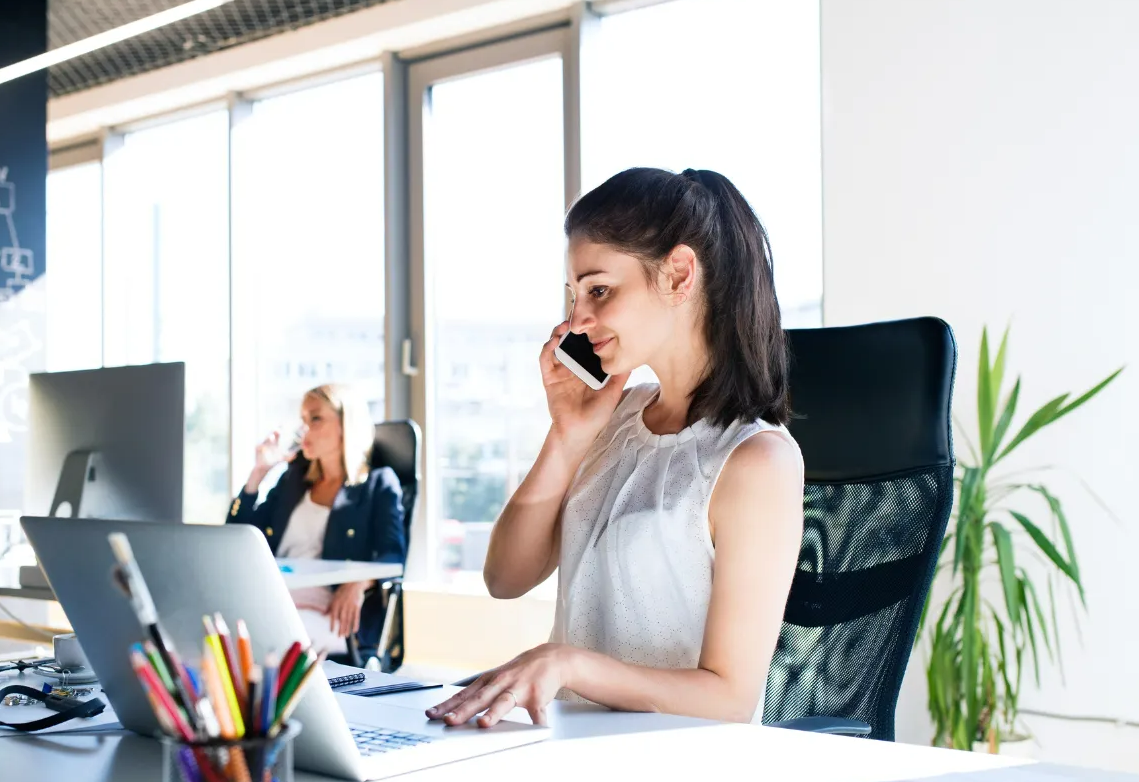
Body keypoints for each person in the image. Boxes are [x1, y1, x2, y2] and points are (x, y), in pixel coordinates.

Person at [427, 167, 805, 729]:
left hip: (666, 774)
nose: (577, 319)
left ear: (678, 275)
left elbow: (730, 699)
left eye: (598, 290)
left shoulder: (756, 461)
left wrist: (571, 665)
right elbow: (504, 578)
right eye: (574, 296)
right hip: (567, 746)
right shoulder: (616, 416)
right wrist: (568, 436)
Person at [228, 384, 406, 654]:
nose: (303, 430)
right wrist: (258, 473)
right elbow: (237, 537)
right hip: (271, 596)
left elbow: (393, 555)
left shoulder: (378, 484)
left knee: (260, 639)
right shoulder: (294, 480)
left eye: (315, 418)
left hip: (330, 609)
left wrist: (359, 582)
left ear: (346, 424)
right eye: (303, 421)